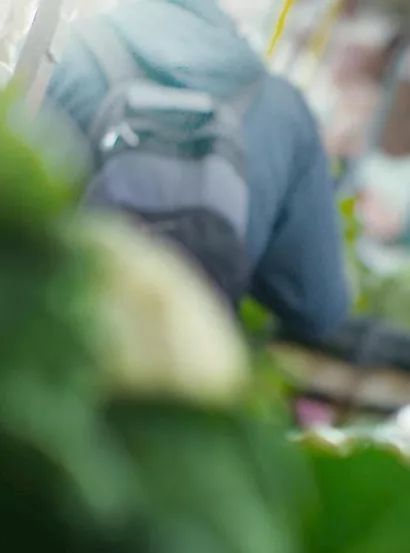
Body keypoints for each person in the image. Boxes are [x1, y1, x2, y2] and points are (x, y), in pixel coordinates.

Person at [42, 0, 350, 341]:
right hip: (174, 376)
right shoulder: (284, 111)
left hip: (49, 346)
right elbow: (317, 307)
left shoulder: (67, 51)